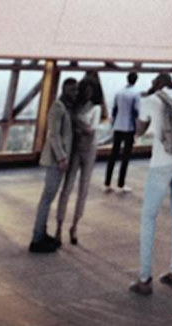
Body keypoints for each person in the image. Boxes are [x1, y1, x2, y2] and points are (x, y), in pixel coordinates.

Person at [130, 73, 172, 295]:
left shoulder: (150, 100)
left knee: (149, 217)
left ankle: (144, 278)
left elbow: (139, 130)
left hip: (161, 162)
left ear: (156, 85)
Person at [29, 77, 78, 253]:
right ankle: (37, 237)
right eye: (72, 90)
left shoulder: (64, 107)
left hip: (58, 159)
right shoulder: (58, 107)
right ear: (65, 90)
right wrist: (62, 157)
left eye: (76, 90)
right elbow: (54, 134)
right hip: (55, 160)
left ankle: (41, 233)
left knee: (48, 197)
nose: (75, 93)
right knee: (47, 197)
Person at [56, 75, 103, 245]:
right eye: (86, 90)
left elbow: (91, 130)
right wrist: (82, 127)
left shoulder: (94, 109)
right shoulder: (77, 107)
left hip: (88, 149)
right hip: (76, 148)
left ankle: (74, 226)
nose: (87, 93)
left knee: (83, 189)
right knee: (67, 187)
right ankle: (59, 226)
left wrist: (77, 123)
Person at [105, 71, 139, 193]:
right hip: (128, 127)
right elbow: (136, 112)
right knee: (125, 156)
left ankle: (107, 182)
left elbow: (114, 109)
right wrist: (137, 129)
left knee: (113, 154)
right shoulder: (136, 93)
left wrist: (113, 124)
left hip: (118, 126)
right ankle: (121, 183)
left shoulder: (119, 92)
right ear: (136, 80)